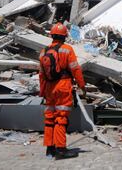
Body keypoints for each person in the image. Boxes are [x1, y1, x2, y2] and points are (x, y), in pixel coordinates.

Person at [39, 23, 86, 159]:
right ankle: (61, 149)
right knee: (61, 118)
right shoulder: (67, 49)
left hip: (49, 88)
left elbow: (41, 74)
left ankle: (50, 148)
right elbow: (75, 69)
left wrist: (42, 91)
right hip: (63, 86)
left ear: (52, 35)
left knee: (49, 118)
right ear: (64, 36)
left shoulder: (43, 51)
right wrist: (82, 86)